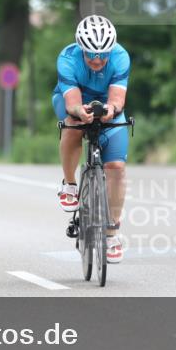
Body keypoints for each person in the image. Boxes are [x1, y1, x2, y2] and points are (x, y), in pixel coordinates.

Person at [52, 15, 130, 263]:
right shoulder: (67, 58)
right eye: (91, 55)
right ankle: (70, 184)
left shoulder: (120, 57)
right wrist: (78, 112)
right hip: (74, 101)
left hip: (107, 105)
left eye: (103, 55)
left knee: (116, 167)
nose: (97, 60)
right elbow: (72, 101)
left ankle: (112, 233)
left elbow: (117, 98)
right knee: (73, 125)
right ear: (81, 49)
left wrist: (111, 110)